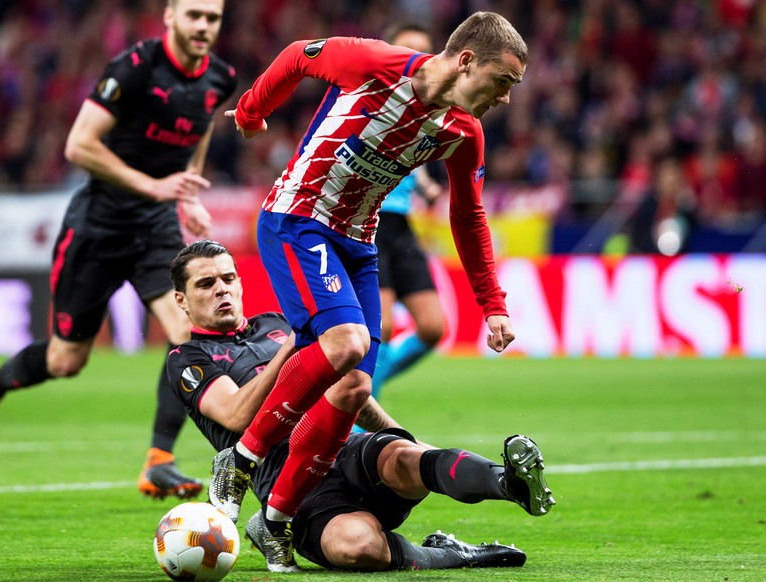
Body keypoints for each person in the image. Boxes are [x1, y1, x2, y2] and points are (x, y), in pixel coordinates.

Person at [211, 10, 529, 561]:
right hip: (297, 218)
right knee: (346, 344)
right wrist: (250, 109)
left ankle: (275, 520)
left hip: (358, 245)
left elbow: (468, 216)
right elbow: (297, 56)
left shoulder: (462, 131)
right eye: (504, 81)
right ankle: (238, 461)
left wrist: (492, 305)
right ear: (467, 61)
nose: (505, 98)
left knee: (356, 388)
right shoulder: (374, 64)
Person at [0, 0, 237, 500]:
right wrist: (151, 185)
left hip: (154, 232)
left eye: (212, 18)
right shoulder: (132, 69)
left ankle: (159, 460)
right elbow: (79, 144)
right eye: (194, 15)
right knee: (66, 360)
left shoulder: (218, 78)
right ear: (170, 15)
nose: (203, 27)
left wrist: (185, 194)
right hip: (97, 231)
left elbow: (203, 122)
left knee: (186, 334)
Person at [165, 240, 555, 572]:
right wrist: (294, 346)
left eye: (228, 279)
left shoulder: (274, 323)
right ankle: (453, 554)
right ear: (181, 300)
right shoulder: (188, 358)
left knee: (405, 455)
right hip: (291, 486)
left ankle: (509, 483)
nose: (222, 290)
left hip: (345, 449)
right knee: (359, 548)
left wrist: (405, 437)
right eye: (206, 284)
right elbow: (237, 414)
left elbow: (352, 391)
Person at [370, 23, 445, 409]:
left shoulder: (425, 111)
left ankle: (359, 386)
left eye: (425, 53)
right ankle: (364, 421)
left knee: (433, 327)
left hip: (402, 226)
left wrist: (426, 184)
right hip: (372, 222)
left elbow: (412, 159)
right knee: (380, 328)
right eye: (408, 52)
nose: (418, 61)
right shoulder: (373, 101)